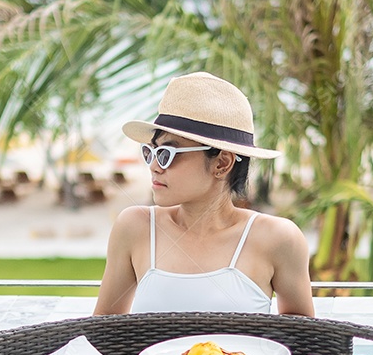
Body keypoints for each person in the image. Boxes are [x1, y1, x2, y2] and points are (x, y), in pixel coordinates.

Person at [93, 71, 314, 317]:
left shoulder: (278, 239)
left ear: (222, 163)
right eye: (151, 152)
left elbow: (302, 342)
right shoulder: (134, 227)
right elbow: (103, 334)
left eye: (167, 153)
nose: (154, 166)